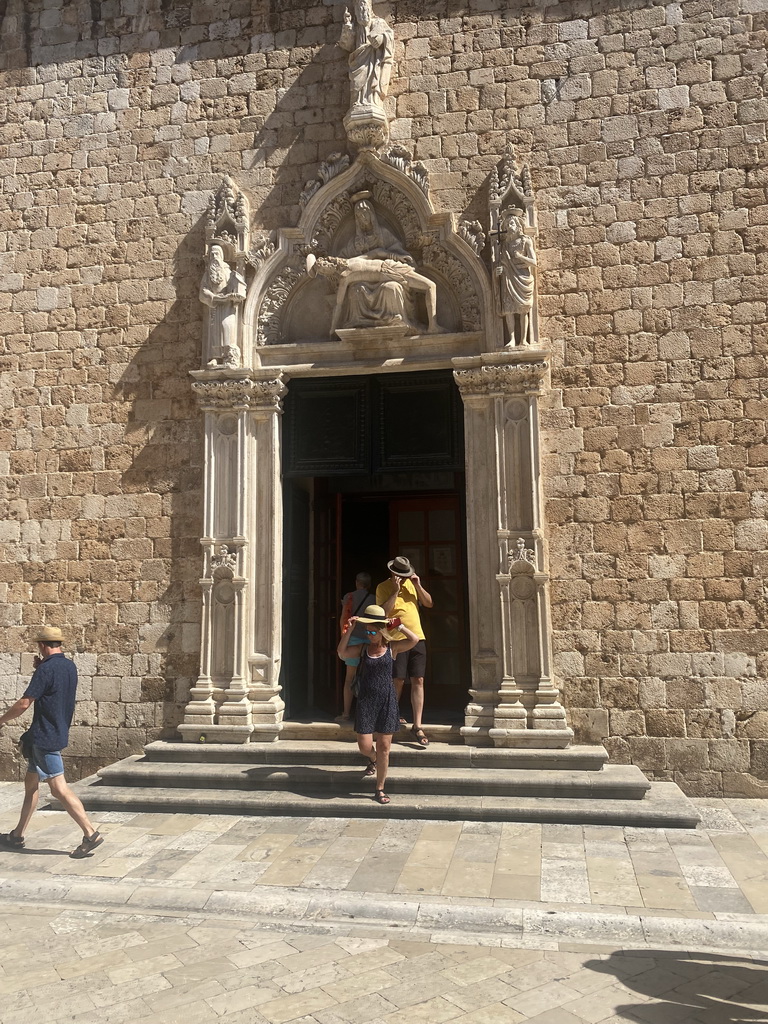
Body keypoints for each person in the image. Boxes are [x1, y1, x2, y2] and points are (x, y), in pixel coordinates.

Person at [0, 627, 104, 858]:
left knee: (59, 789)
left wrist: (2, 720)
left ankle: (90, 833)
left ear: (43, 646)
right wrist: (41, 669)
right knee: (31, 785)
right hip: (54, 733)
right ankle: (16, 836)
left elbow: (24, 703)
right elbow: (55, 691)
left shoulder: (46, 669)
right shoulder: (69, 666)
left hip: (44, 738)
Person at [337, 605, 418, 805]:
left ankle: (380, 787)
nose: (370, 634)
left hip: (387, 701)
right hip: (366, 701)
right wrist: (350, 629)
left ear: (381, 630)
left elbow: (414, 640)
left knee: (384, 747)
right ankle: (373, 759)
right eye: (367, 631)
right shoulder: (364, 649)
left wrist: (398, 626)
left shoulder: (392, 648)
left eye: (373, 631)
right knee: (364, 746)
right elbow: (342, 652)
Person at [376, 555, 433, 747]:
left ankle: (417, 725)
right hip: (396, 639)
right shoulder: (383, 587)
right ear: (392, 572)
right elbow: (383, 612)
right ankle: (392, 716)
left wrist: (417, 585)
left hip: (417, 636)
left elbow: (429, 603)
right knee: (397, 680)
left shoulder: (412, 585)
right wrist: (395, 591)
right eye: (400, 574)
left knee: (419, 679)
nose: (403, 577)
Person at [335, 571, 375, 724]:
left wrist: (343, 636)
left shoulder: (349, 597)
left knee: (349, 679)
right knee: (368, 678)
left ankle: (346, 714)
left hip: (351, 640)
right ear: (369, 585)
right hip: (368, 641)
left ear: (357, 583)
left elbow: (343, 618)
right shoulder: (373, 599)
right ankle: (368, 714)